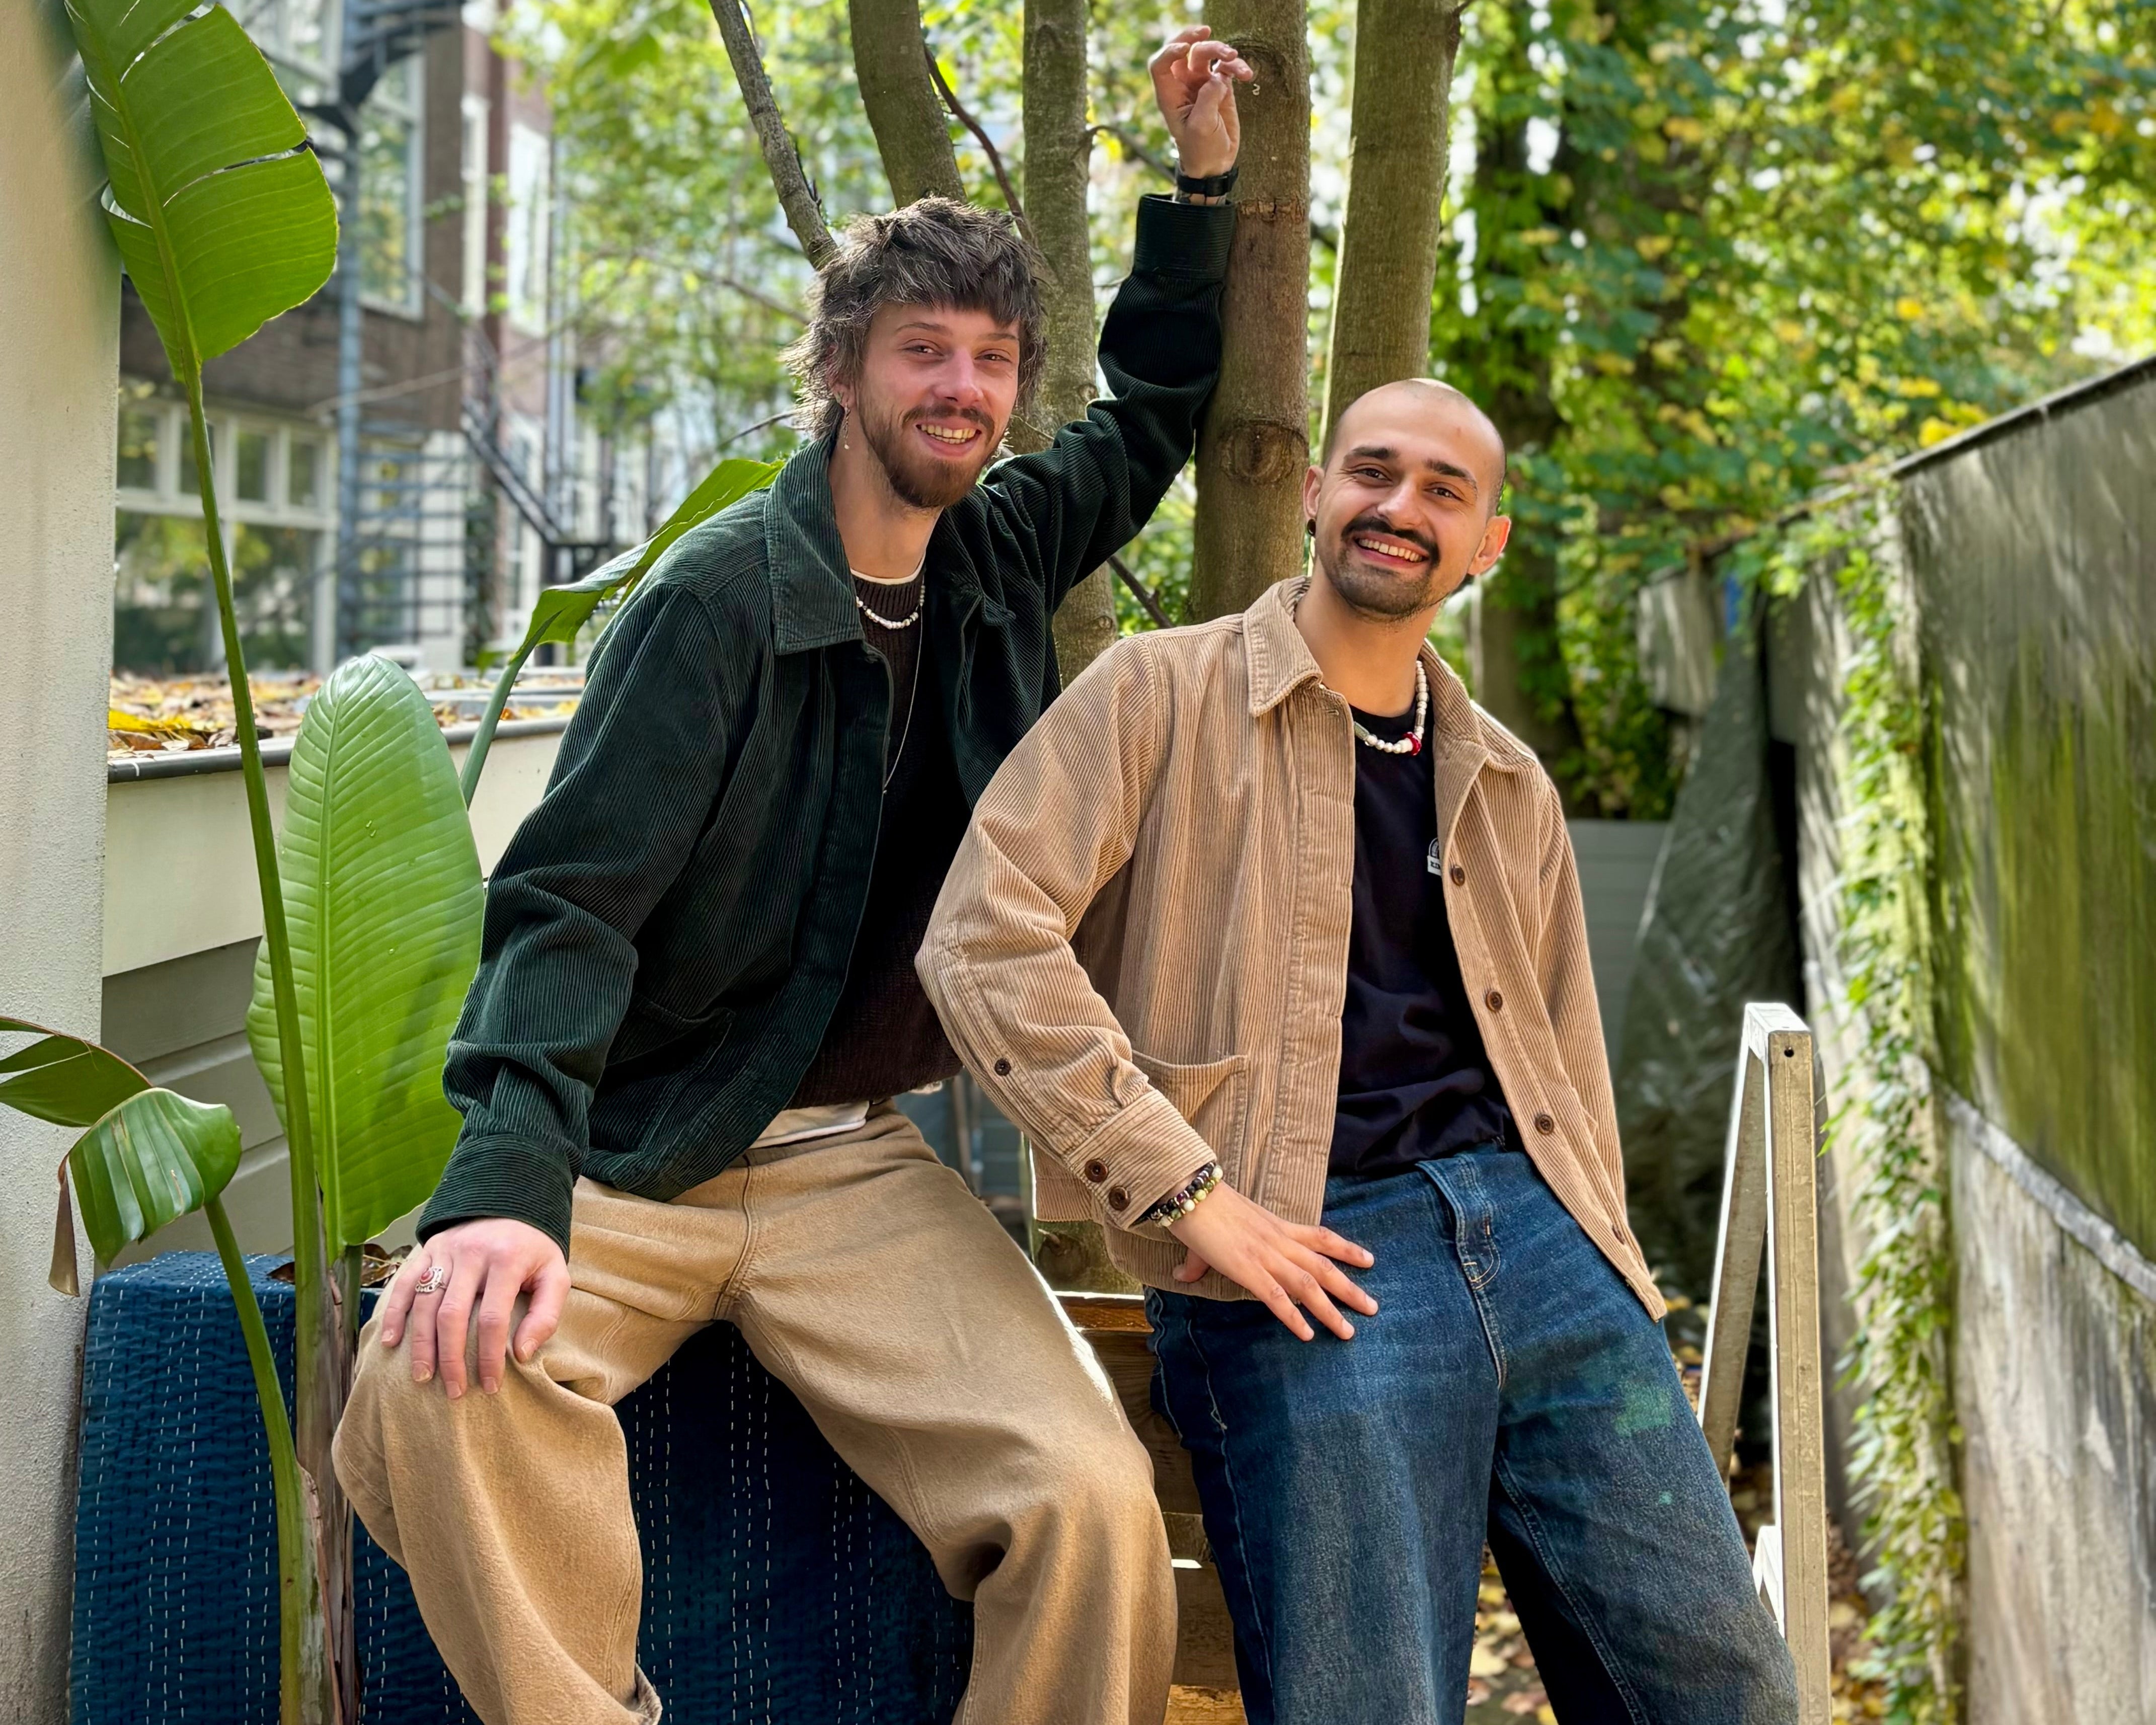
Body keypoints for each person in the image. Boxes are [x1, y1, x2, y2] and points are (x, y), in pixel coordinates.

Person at [333, 30, 1253, 1725]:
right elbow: (567, 904)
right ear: (841, 369)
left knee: (1092, 1499)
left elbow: (1157, 418)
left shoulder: (998, 553)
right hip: (646, 1142)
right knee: (431, 1380)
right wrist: (500, 1183)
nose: (961, 388)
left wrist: (1200, 187)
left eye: (989, 358)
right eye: (922, 351)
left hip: (846, 1163)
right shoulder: (713, 606)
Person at [919, 377, 1803, 1724]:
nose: (1399, 507)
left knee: (1722, 1686)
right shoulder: (1157, 694)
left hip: (1546, 1246)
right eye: (1373, 473)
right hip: (1309, 1259)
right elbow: (982, 941)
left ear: (1485, 543)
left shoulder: (1505, 780)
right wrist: (1187, 1192)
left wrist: (1608, 1263)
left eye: (1442, 490)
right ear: (1320, 493)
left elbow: (1565, 1062)